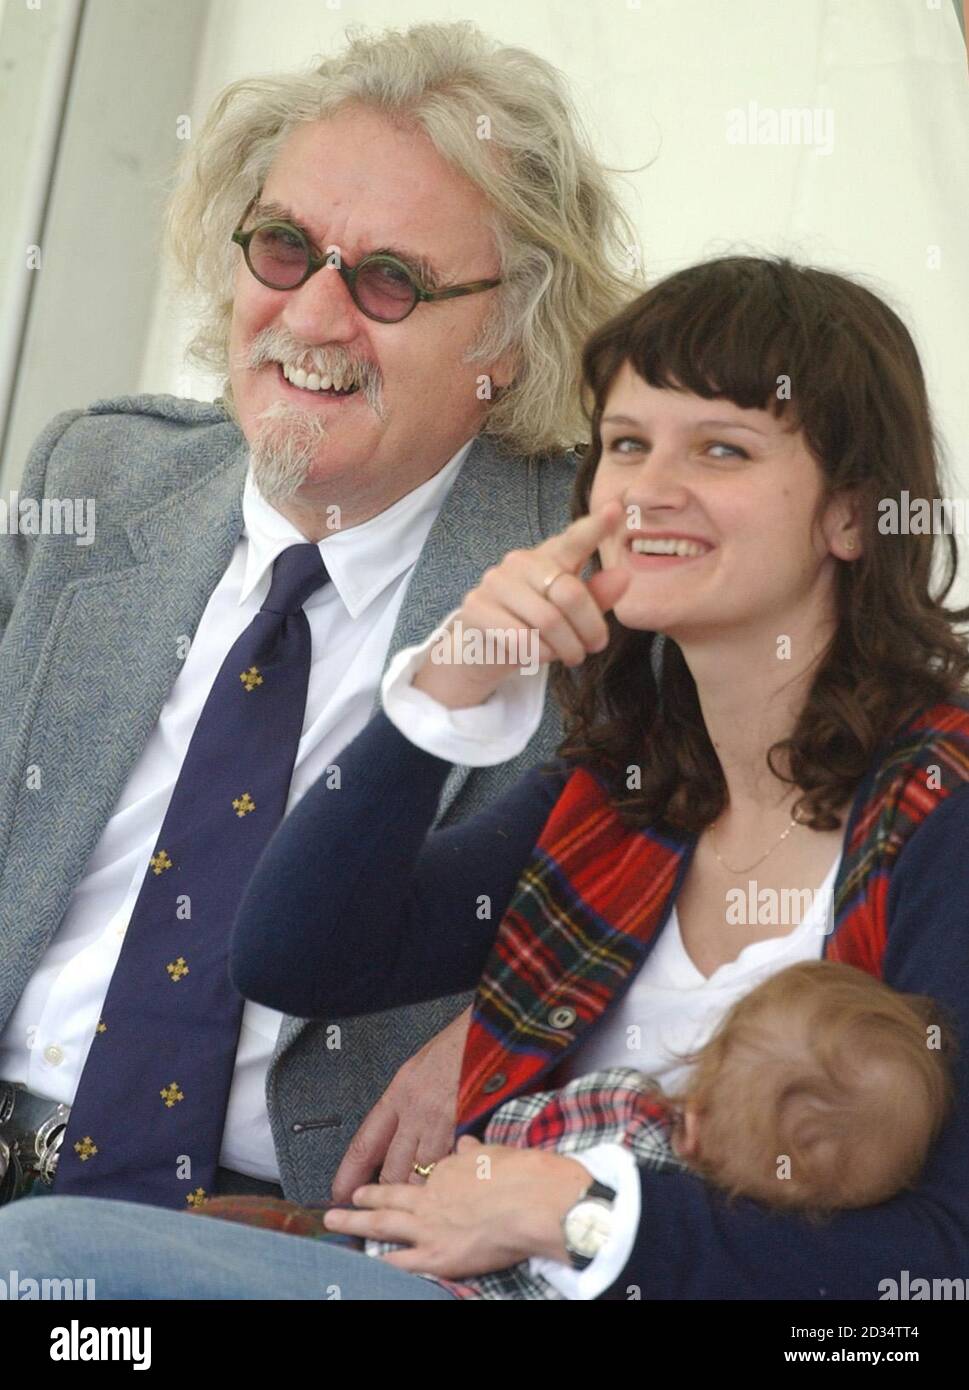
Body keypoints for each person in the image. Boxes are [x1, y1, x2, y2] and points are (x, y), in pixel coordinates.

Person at [5, 254, 969, 1299]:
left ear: (853, 513)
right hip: (453, 1278)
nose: (649, 489)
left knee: (47, 1266)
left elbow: (942, 1259)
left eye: (723, 450)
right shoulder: (630, 793)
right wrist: (445, 690)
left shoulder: (940, 814)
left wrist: (578, 1209)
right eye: (627, 444)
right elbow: (294, 954)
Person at [0, 21, 637, 1211]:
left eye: (389, 280)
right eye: (286, 248)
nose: (315, 317)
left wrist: (508, 1025)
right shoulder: (96, 479)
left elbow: (731, 838)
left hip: (267, 1229)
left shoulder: (591, 572)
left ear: (508, 338)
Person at [188, 959, 956, 1302]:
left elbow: (494, 1142)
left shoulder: (621, 1110)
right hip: (386, 1258)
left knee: (170, 1244)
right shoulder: (745, 1260)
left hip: (382, 1253)